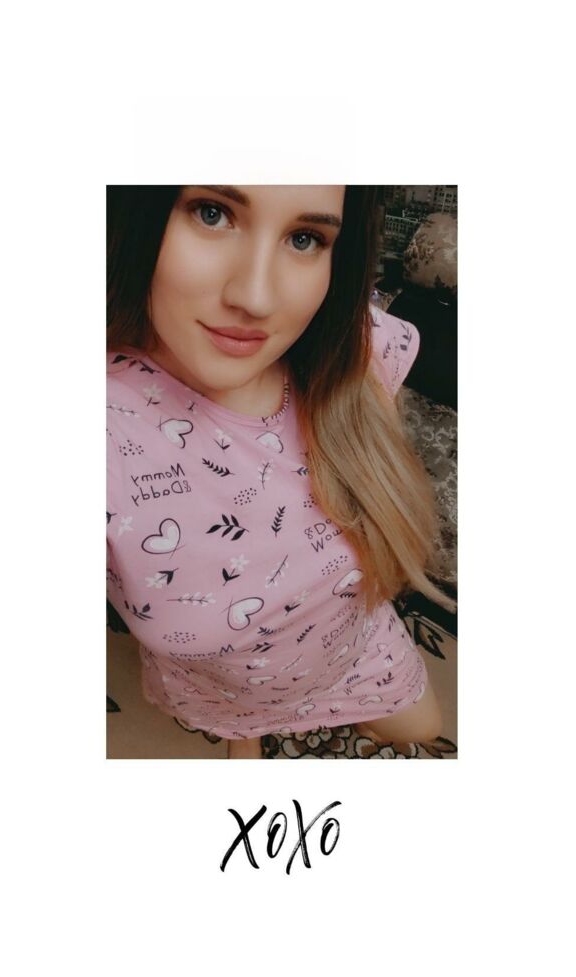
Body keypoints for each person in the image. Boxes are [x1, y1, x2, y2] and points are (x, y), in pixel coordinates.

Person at [107, 185, 453, 759]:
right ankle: (244, 729)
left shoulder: (354, 351)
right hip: (219, 688)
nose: (257, 298)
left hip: (355, 652)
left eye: (305, 238)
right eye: (212, 213)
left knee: (419, 729)